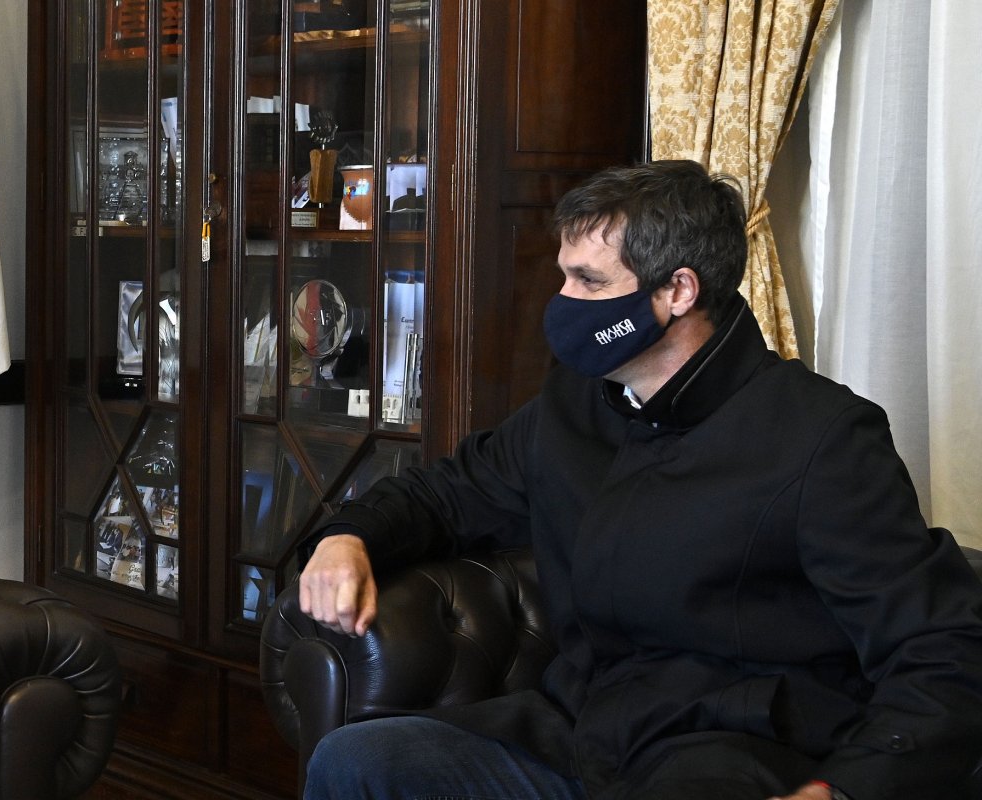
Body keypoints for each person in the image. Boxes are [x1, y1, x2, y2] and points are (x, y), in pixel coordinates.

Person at [296, 161, 982, 800]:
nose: (563, 301)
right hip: (576, 732)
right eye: (565, 277)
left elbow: (940, 646)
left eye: (589, 282)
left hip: (725, 747)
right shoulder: (574, 403)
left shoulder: (824, 437)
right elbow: (445, 493)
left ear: (678, 291)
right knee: (355, 761)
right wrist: (348, 537)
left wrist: (847, 789)